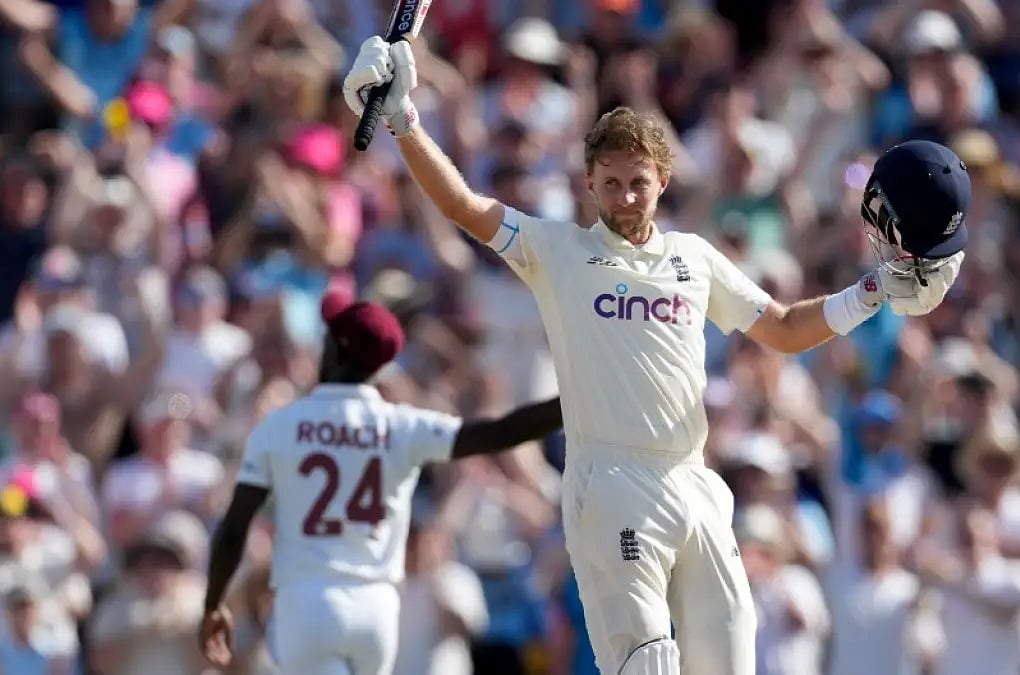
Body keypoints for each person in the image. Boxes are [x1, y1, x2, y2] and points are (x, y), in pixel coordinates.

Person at [340, 36, 970, 675]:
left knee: (728, 660)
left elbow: (781, 328)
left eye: (638, 183)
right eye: (609, 183)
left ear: (662, 181)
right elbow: (463, 206)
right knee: (647, 664)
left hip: (691, 479)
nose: (624, 198)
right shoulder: (555, 251)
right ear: (588, 182)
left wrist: (868, 294)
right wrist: (403, 119)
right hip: (611, 481)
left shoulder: (693, 260)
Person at [196, 289, 564, 675]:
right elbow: (502, 431)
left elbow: (234, 528)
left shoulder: (280, 425)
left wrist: (214, 604)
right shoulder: (402, 424)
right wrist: (575, 399)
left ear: (335, 352)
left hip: (307, 602)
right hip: (377, 609)